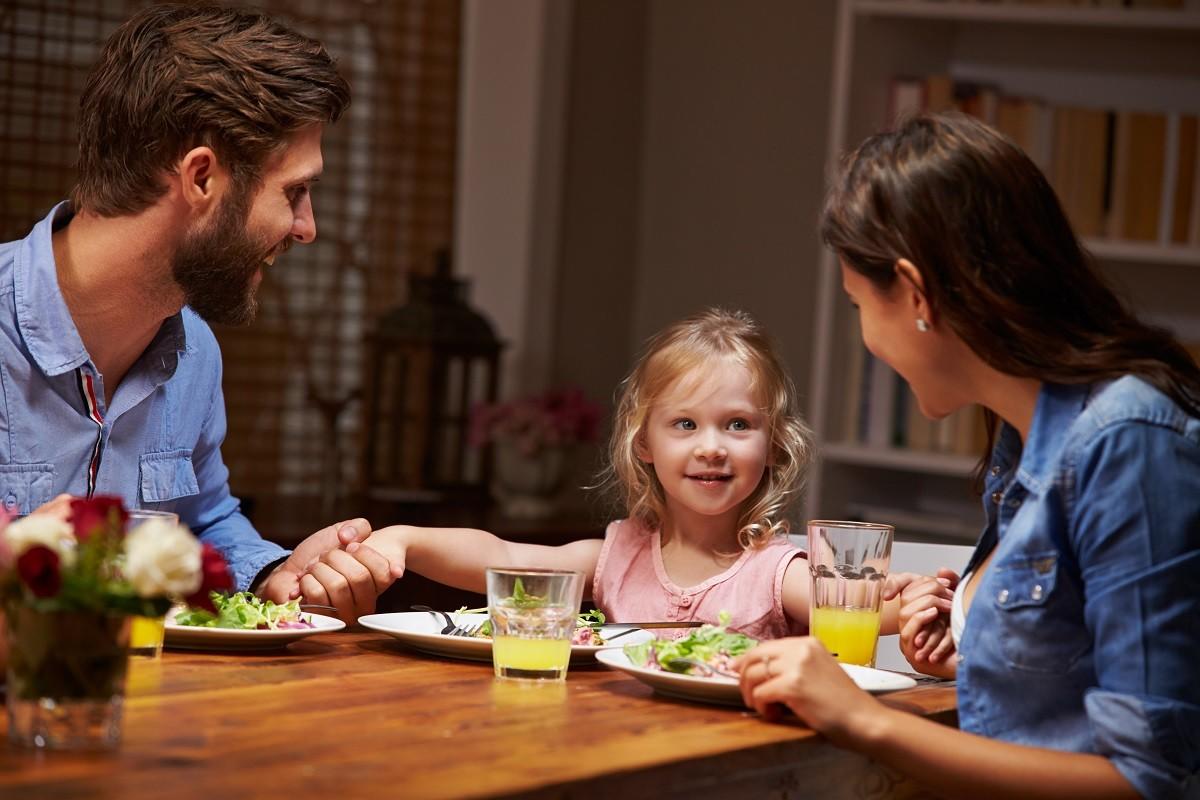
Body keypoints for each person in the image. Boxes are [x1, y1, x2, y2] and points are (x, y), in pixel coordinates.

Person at [735, 112, 1200, 799]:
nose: (866, 337)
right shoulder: (1024, 436)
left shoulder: (1126, 442)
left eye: (860, 304)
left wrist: (863, 718)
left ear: (916, 293)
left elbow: (1145, 780)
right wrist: (982, 660)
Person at [0, 5, 398, 629]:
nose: (308, 228)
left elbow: (205, 518)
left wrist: (273, 575)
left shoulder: (195, 351)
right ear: (202, 177)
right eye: (294, 191)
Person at [315, 308, 935, 637]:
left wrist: (907, 605)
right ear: (644, 444)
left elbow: (849, 608)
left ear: (774, 447)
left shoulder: (775, 572)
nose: (712, 447)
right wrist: (406, 539)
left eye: (739, 425)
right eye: (685, 425)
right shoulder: (618, 557)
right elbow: (502, 557)